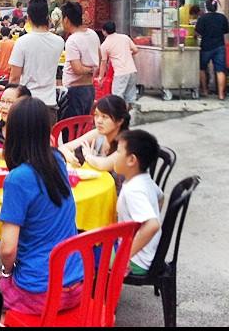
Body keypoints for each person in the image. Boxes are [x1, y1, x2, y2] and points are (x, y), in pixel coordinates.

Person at [0, 97, 84, 316]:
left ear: (13, 133)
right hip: (76, 285)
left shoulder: (18, 178)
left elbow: (7, 249)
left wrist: (6, 273)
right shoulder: (58, 161)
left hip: (41, 293)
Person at [9, 0, 65, 128]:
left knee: (25, 146)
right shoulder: (59, 42)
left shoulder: (22, 42)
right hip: (49, 104)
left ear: (28, 18)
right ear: (48, 17)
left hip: (26, 104)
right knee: (45, 146)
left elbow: (14, 77)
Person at [114, 129, 164, 275]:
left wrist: (124, 257)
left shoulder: (134, 190)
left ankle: (99, 293)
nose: (115, 156)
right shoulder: (144, 179)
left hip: (137, 261)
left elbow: (152, 225)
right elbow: (161, 197)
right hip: (148, 253)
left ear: (131, 160)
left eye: (118, 152)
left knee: (90, 253)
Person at [58, 95, 130, 178]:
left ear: (120, 121)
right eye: (96, 115)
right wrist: (68, 154)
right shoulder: (98, 133)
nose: (98, 121)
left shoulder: (127, 142)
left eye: (104, 117)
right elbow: (63, 147)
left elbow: (104, 165)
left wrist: (88, 156)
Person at [60, 1, 101, 120]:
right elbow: (100, 57)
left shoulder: (72, 40)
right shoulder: (93, 34)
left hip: (74, 92)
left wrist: (88, 70)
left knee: (72, 128)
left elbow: (77, 69)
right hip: (89, 88)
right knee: (83, 126)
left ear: (66, 20)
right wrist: (93, 69)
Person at [195, 0, 229, 99]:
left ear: (206, 7)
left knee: (201, 68)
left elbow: (198, 33)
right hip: (220, 46)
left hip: (206, 46)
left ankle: (205, 91)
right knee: (220, 70)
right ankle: (221, 94)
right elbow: (226, 31)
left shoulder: (203, 18)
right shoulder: (222, 17)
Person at [98, 21, 139, 107]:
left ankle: (120, 117)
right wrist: (126, 54)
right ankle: (130, 116)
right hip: (132, 71)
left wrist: (101, 77)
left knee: (117, 98)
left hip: (120, 73)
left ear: (104, 31)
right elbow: (135, 50)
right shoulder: (125, 37)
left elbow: (103, 63)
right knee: (130, 98)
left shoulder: (105, 45)